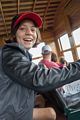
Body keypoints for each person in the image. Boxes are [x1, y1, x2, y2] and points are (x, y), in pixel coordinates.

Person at [0, 11, 80, 120]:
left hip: (10, 105)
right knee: (51, 113)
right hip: (7, 114)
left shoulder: (19, 55)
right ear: (14, 34)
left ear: (37, 34)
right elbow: (39, 79)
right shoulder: (10, 54)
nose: (29, 32)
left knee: (40, 99)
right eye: (22, 29)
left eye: (33, 29)